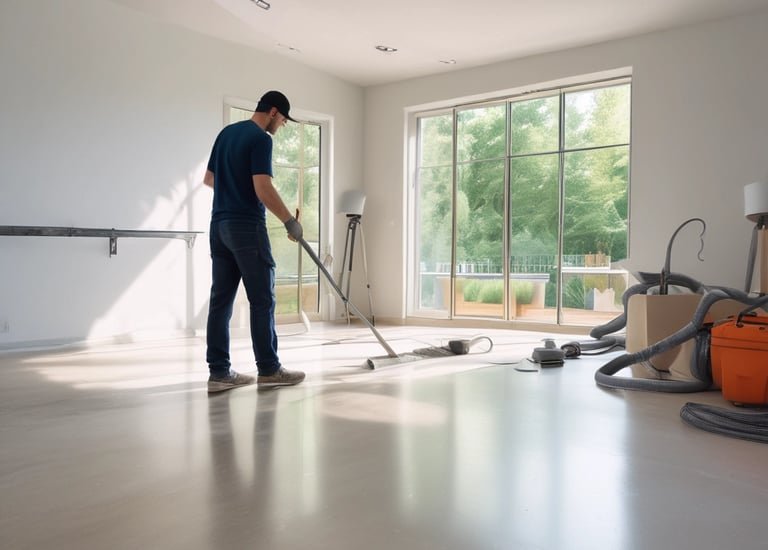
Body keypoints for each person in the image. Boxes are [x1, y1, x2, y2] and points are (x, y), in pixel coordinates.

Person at [203, 90, 306, 393]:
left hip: (219, 225)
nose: (283, 125)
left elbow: (210, 179)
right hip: (246, 227)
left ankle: (219, 373)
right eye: (283, 119)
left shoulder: (227, 134)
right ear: (273, 112)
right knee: (262, 299)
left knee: (220, 302)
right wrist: (290, 221)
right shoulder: (261, 139)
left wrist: (233, 188)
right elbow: (262, 187)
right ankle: (269, 369)